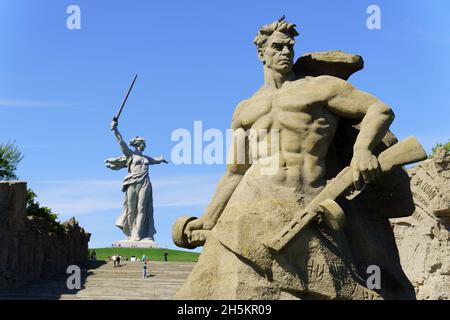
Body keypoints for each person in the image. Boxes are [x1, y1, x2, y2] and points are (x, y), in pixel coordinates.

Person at [175, 17, 416, 300]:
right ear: (261, 53)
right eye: (277, 47)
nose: (285, 52)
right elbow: (236, 172)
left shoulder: (319, 87)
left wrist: (362, 150)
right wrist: (207, 220)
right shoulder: (244, 109)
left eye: (289, 46)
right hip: (248, 205)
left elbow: (380, 109)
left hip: (307, 203)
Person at [105, 120, 168, 241]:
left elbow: (155, 160)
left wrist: (161, 159)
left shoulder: (146, 158)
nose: (146, 145)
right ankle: (130, 232)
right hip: (132, 182)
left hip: (145, 183)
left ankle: (138, 233)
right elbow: (121, 142)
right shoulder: (130, 155)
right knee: (131, 209)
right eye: (144, 143)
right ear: (139, 144)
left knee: (142, 208)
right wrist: (115, 129)